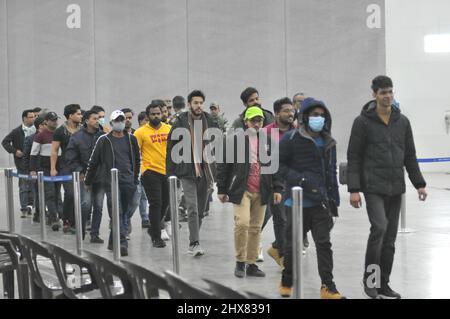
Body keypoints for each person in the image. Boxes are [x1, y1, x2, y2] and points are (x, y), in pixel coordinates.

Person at [347, 75, 427, 299]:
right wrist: (354, 189)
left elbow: (410, 155)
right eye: (383, 92)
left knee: (390, 240)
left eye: (390, 91)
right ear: (374, 94)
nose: (388, 96)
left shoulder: (402, 121)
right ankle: (370, 281)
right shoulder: (362, 122)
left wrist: (419, 183)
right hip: (373, 187)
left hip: (396, 187)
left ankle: (384, 284)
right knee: (379, 229)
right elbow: (354, 157)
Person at [278, 98, 345, 299]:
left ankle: (328, 286)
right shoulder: (290, 139)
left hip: (320, 204)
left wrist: (334, 201)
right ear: (306, 117)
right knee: (292, 245)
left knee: (324, 244)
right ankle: (287, 279)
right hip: (296, 203)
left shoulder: (329, 142)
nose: (319, 118)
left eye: (322, 115)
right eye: (315, 115)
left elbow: (331, 172)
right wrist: (302, 180)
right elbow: (280, 167)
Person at [217, 107, 283, 278]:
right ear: (245, 122)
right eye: (253, 120)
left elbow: (276, 168)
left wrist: (277, 188)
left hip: (262, 190)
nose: (256, 123)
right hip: (242, 190)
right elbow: (224, 166)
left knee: (255, 229)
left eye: (259, 120)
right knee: (242, 224)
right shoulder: (234, 141)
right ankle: (240, 261)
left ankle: (251, 264)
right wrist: (222, 189)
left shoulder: (269, 141)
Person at [166, 90, 218, 257]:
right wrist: (171, 172)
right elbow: (171, 147)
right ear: (189, 104)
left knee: (201, 210)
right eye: (195, 103)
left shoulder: (209, 120)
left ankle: (194, 239)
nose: (199, 106)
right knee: (193, 208)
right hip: (187, 170)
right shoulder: (180, 121)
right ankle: (194, 243)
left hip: (205, 171)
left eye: (201, 103)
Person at [85, 110, 140, 256]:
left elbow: (136, 160)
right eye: (117, 120)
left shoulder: (131, 139)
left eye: (122, 120)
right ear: (111, 123)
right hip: (111, 183)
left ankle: (112, 240)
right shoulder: (103, 140)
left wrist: (135, 179)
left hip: (129, 182)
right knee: (117, 212)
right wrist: (88, 181)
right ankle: (122, 242)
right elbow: (94, 162)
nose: (120, 123)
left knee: (125, 212)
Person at [261, 97, 295, 268]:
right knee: (280, 219)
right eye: (286, 110)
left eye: (292, 110)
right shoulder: (266, 133)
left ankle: (276, 247)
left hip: (295, 183)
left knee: (296, 222)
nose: (291, 113)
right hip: (275, 183)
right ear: (276, 114)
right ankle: (283, 256)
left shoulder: (298, 131)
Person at [135, 100, 172, 248]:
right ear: (148, 115)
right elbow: (135, 153)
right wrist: (138, 171)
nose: (156, 116)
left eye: (158, 113)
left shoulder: (169, 129)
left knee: (165, 203)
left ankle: (152, 227)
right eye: (153, 114)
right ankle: (156, 236)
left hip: (167, 171)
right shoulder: (140, 132)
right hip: (150, 172)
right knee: (155, 203)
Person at [66, 110, 104, 242]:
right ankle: (80, 232)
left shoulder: (103, 136)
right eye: (94, 118)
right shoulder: (77, 137)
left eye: (98, 118)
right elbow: (70, 157)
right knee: (86, 204)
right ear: (87, 121)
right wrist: (80, 172)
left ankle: (95, 234)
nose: (97, 120)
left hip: (100, 177)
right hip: (85, 177)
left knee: (98, 206)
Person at [51, 104, 82, 234]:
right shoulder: (60, 131)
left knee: (80, 195)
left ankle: (76, 222)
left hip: (80, 166)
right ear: (70, 115)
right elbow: (54, 150)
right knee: (70, 193)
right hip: (66, 167)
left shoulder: (83, 129)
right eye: (78, 114)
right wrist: (53, 168)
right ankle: (67, 220)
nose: (81, 116)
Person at [30, 112, 62, 231]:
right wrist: (32, 169)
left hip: (59, 166)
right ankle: (54, 218)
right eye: (52, 120)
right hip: (45, 167)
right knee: (50, 193)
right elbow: (33, 153)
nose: (55, 122)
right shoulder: (40, 136)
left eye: (56, 120)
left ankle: (53, 216)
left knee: (57, 192)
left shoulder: (60, 134)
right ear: (46, 122)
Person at [2, 109, 36, 217]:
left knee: (33, 185)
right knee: (23, 185)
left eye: (34, 116)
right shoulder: (17, 131)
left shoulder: (37, 130)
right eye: (30, 117)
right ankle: (24, 207)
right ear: (24, 118)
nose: (33, 119)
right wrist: (15, 151)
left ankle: (32, 205)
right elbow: (5, 142)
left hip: (34, 162)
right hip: (21, 163)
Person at [23, 116, 45, 222]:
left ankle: (51, 213)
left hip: (48, 170)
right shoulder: (30, 138)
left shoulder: (52, 137)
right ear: (40, 126)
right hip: (36, 170)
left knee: (52, 193)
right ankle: (38, 213)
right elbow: (26, 156)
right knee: (37, 192)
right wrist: (30, 170)